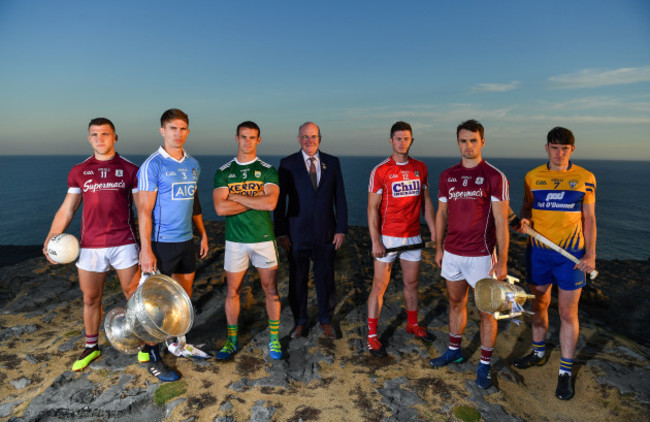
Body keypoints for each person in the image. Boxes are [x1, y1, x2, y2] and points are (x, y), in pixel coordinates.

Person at [43, 118, 140, 372]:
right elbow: (68, 209)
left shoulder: (131, 169)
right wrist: (51, 237)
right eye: (94, 134)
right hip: (90, 246)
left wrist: (149, 246)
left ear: (115, 137)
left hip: (124, 242)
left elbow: (144, 209)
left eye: (105, 134)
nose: (100, 138)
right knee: (90, 298)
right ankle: (91, 347)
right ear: (89, 138)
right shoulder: (79, 171)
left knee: (134, 296)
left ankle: (143, 345)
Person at [512, 127, 596, 400]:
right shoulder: (532, 177)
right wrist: (524, 221)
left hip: (570, 256)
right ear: (547, 148)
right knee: (539, 304)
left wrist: (590, 255)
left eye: (565, 148)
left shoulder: (585, 178)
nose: (559, 153)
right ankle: (538, 352)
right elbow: (526, 208)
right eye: (555, 147)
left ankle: (565, 372)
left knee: (568, 312)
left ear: (572, 150)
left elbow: (589, 219)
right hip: (538, 253)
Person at [429, 119, 510, 390]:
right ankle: (455, 349)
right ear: (458, 143)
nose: (468, 146)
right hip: (452, 253)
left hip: (482, 256)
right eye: (463, 141)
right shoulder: (447, 175)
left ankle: (485, 366)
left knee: (487, 312)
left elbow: (501, 222)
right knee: (455, 302)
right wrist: (439, 247)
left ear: (482, 142)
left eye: (473, 140)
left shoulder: (495, 177)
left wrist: (503, 263)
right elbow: (441, 214)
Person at [137, 108, 209, 382]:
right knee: (157, 305)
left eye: (182, 129)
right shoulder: (153, 165)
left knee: (182, 299)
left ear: (187, 131)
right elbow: (144, 211)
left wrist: (202, 233)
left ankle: (177, 344)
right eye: (172, 128)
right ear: (162, 131)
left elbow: (194, 202)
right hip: (160, 244)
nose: (177, 134)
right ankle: (153, 357)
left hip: (186, 241)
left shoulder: (193, 164)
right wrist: (146, 250)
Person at [213, 121, 282, 360]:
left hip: (263, 238)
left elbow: (270, 203)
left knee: (270, 289)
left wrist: (236, 195)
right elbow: (220, 208)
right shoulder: (224, 171)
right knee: (233, 291)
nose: (247, 141)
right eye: (244, 137)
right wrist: (254, 196)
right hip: (235, 240)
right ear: (237, 138)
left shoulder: (268, 170)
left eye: (252, 137)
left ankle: (274, 339)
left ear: (258, 140)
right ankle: (232, 341)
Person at [366, 121, 437, 357]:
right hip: (388, 238)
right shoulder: (381, 170)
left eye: (406, 138)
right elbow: (372, 209)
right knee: (379, 287)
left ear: (412, 141)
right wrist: (375, 241)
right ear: (391, 141)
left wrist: (435, 232)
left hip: (413, 237)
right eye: (398, 138)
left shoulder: (421, 167)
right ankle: (372, 336)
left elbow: (426, 202)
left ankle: (412, 324)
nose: (402, 142)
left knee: (412, 284)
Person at [274, 122, 348, 339]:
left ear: (320, 138)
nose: (309, 140)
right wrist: (281, 233)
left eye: (313, 136)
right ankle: (300, 321)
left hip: (326, 233)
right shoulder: (287, 164)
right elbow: (280, 203)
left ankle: (326, 320)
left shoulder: (332, 163)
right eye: (305, 137)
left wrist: (341, 229)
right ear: (299, 139)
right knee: (297, 278)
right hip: (296, 234)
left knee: (325, 277)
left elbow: (340, 199)